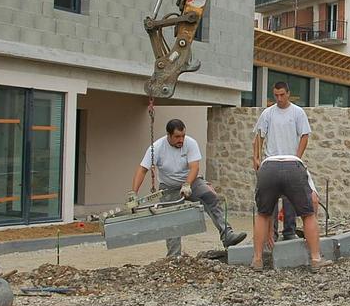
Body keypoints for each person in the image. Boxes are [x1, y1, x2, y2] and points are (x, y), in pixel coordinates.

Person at [130, 119, 246, 257]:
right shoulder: (156, 148)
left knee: (209, 196)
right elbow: (142, 170)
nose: (181, 140)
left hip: (191, 181)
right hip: (168, 186)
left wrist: (187, 184)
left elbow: (194, 167)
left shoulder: (190, 143)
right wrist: (133, 193)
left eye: (183, 136)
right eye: (177, 137)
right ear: (168, 135)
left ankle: (227, 235)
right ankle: (174, 256)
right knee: (171, 218)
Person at [252, 153, 331, 271]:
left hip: (268, 168)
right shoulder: (299, 163)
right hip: (294, 166)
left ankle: (257, 259)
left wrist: (270, 231)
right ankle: (316, 259)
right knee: (308, 215)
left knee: (262, 214)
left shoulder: (266, 153)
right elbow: (314, 201)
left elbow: (267, 211)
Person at [252, 82, 310, 241]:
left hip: (291, 160)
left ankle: (289, 231)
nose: (279, 98)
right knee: (269, 199)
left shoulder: (298, 113)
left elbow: (304, 135)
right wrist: (256, 157)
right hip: (271, 161)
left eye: (282, 95)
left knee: (290, 197)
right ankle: (272, 233)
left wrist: (297, 157)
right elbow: (258, 136)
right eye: (276, 95)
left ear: (288, 94)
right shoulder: (268, 113)